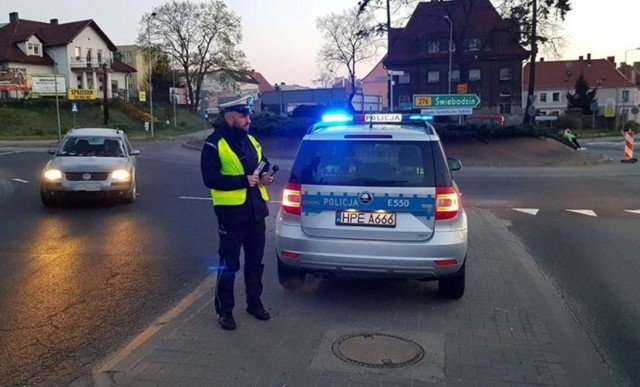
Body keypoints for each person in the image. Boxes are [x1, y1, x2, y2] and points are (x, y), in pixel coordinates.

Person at [200, 95, 274, 331]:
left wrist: (264, 178)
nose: (248, 119)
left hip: (256, 212)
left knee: (255, 262)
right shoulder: (214, 144)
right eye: (243, 115)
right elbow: (210, 178)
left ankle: (254, 303)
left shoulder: (252, 140)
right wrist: (244, 180)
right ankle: (225, 311)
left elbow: (262, 163)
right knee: (228, 264)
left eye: (248, 115)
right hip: (231, 215)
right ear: (230, 117)